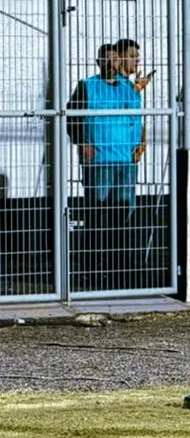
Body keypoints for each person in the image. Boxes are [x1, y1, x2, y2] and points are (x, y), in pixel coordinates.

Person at [67, 39, 147, 288]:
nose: (112, 63)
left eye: (116, 59)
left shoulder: (128, 88)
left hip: (125, 161)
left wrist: (141, 144)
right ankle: (92, 270)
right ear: (99, 62)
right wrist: (82, 143)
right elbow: (71, 118)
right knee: (97, 214)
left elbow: (137, 119)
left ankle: (118, 269)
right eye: (107, 59)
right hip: (100, 160)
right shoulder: (87, 86)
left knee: (122, 216)